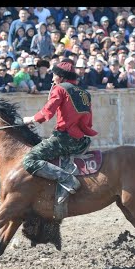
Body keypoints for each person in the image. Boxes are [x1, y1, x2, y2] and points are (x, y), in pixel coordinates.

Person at [22, 58, 98, 204]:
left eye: (54, 75)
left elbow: (47, 113)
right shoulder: (85, 93)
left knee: (29, 160)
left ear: (61, 77)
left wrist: (30, 119)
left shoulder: (60, 89)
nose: (52, 77)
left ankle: (67, 179)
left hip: (64, 139)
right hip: (82, 141)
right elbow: (89, 122)